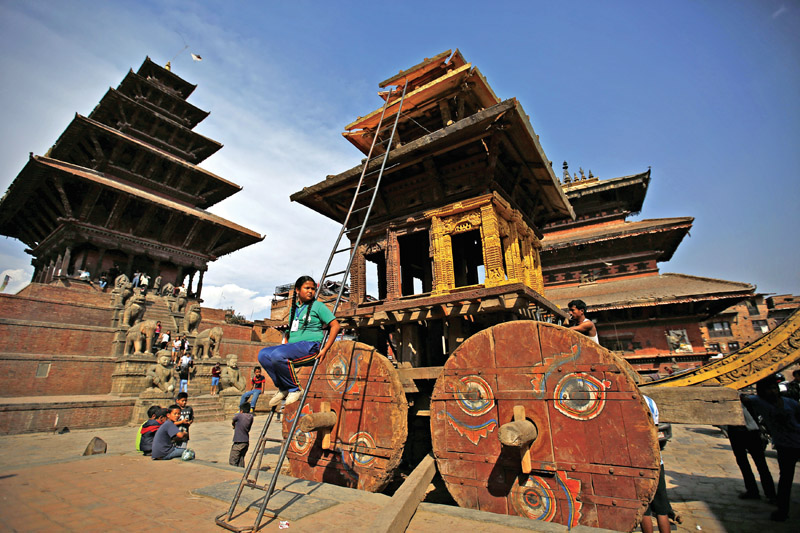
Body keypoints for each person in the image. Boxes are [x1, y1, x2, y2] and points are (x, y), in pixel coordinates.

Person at [259, 276, 341, 408]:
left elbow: (335, 325)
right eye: (307, 288)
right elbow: (291, 332)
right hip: (294, 347)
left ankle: (295, 389)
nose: (310, 291)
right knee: (263, 354)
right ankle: (283, 388)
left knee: (277, 355)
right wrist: (286, 347)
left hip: (311, 346)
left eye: (313, 289)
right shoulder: (294, 309)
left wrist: (324, 349)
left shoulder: (318, 306)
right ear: (297, 290)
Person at [742, 376, 800, 521]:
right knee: (786, 479)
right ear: (762, 391)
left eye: (774, 388)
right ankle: (782, 510)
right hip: (785, 446)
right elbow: (741, 397)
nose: (772, 392)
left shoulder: (790, 403)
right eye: (769, 389)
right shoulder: (759, 402)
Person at [727, 401, 776, 502]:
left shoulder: (747, 401)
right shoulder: (731, 402)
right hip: (737, 432)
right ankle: (753, 491)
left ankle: (770, 494)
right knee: (744, 463)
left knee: (760, 464)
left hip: (750, 433)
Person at [641, 394, 671, 533]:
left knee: (644, 510)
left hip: (638, 463)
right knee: (662, 510)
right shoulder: (650, 401)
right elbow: (655, 428)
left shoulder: (624, 398)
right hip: (656, 460)